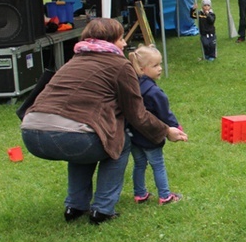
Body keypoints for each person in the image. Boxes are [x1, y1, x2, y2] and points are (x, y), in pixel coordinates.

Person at [20, 18, 188, 224]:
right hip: (69, 137)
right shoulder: (120, 66)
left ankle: (75, 206)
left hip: (30, 132)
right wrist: (166, 131)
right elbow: (137, 114)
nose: (125, 43)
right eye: (120, 38)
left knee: (81, 141)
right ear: (109, 41)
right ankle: (103, 209)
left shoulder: (72, 61)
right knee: (120, 141)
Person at [128, 45, 182, 205]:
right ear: (143, 69)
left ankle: (140, 194)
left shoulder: (132, 86)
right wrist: (176, 127)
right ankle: (165, 196)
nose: (160, 68)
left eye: (160, 64)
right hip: (151, 136)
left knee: (139, 164)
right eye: (155, 65)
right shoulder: (154, 92)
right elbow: (165, 113)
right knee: (158, 165)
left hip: (134, 136)